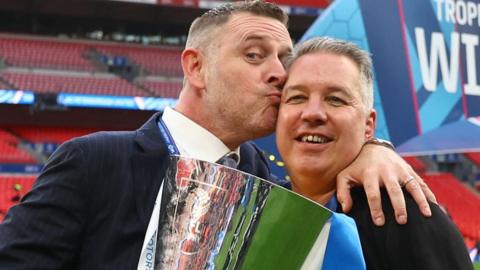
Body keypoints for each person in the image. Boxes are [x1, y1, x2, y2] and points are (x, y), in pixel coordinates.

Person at [0, 1, 434, 269]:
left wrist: (373, 149)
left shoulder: (272, 180)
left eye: (285, 58)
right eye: (254, 55)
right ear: (195, 67)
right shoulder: (94, 162)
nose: (280, 74)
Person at [276, 36, 473, 270]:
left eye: (335, 100)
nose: (312, 113)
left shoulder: (406, 217)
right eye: (297, 97)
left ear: (368, 125)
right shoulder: (261, 212)